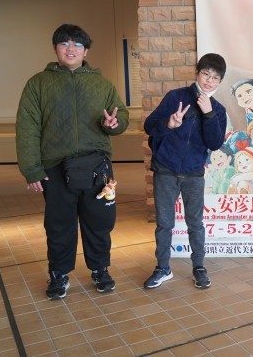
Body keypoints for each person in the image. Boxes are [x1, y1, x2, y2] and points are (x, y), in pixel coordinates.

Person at [16, 24, 129, 300]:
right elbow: (27, 128)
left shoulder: (102, 84)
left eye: (77, 44)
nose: (70, 49)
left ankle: (100, 269)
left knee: (99, 221)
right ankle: (58, 274)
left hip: (97, 167)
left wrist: (114, 124)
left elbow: (121, 116)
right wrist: (32, 169)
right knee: (59, 224)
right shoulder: (38, 84)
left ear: (86, 50)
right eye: (64, 43)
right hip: (55, 167)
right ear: (55, 48)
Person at [143, 53, 227, 289]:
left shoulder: (218, 109)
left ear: (220, 81)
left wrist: (208, 114)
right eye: (206, 74)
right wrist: (168, 124)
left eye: (215, 78)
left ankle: (199, 267)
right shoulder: (175, 97)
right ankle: (163, 268)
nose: (209, 81)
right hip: (166, 170)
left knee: (195, 223)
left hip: (193, 174)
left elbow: (215, 143)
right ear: (197, 73)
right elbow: (149, 125)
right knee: (164, 223)